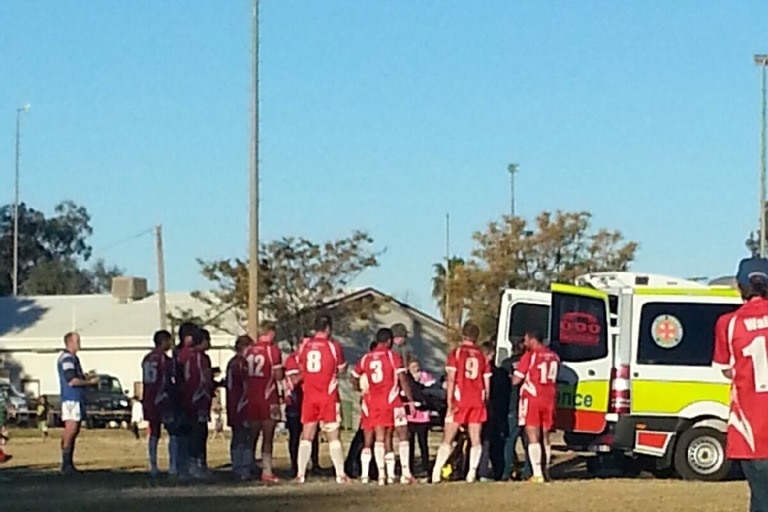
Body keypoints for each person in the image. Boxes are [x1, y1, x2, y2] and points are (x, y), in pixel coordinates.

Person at [713, 256, 768, 512]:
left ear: (741, 285)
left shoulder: (728, 323)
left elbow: (725, 370)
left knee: (761, 498)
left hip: (751, 429)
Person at [285, 315, 349, 484]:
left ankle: (300, 474)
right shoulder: (333, 346)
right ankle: (340, 474)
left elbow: (300, 366)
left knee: (307, 435)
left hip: (310, 395)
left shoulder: (306, 347)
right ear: (328, 328)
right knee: (333, 435)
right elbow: (341, 369)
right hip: (328, 395)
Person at [352, 328, 417, 485]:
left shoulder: (366, 358)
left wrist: (360, 389)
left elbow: (354, 376)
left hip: (374, 402)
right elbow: (402, 379)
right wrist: (410, 400)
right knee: (402, 434)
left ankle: (381, 475)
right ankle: (405, 472)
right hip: (393, 401)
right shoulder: (392, 356)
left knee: (379, 438)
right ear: (389, 341)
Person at [431, 322, 492, 484]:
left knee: (448, 437)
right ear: (476, 337)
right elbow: (487, 383)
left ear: (463, 335)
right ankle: (471, 473)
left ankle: (436, 472)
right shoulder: (482, 356)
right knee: (475, 438)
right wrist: (485, 401)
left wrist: (450, 401)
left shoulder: (456, 353)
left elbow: (451, 379)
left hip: (460, 399)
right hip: (477, 400)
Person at [512, 329, 560, 483]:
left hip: (533, 397)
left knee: (533, 435)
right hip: (550, 397)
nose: (524, 343)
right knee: (545, 436)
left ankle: (537, 473)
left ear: (533, 340)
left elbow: (516, 380)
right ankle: (546, 472)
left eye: (526, 340)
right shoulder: (554, 356)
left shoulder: (530, 356)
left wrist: (514, 374)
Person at [245, 321, 284, 483]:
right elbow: (278, 375)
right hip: (269, 397)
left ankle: (247, 468)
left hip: (251, 397)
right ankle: (267, 470)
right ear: (270, 333)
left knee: (252, 435)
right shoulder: (272, 350)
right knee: (268, 436)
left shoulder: (248, 350)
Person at [57, 332, 98, 474]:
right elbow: (72, 380)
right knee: (71, 430)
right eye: (77, 341)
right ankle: (66, 463)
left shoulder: (73, 358)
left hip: (76, 398)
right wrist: (89, 382)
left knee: (75, 430)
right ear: (70, 343)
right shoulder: (67, 359)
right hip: (71, 398)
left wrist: (85, 376)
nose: (80, 343)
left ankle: (69, 463)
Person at [284, 332, 321, 478]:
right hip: (295, 402)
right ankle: (295, 465)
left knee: (314, 433)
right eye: (305, 344)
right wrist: (306, 371)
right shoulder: (293, 360)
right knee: (295, 434)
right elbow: (294, 380)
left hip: (311, 400)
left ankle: (315, 463)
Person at [178, 327, 213, 480]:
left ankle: (196, 464)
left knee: (198, 432)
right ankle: (194, 465)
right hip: (196, 400)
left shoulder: (188, 356)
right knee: (197, 432)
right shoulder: (198, 357)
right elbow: (200, 379)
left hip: (193, 399)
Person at [141, 329, 174, 476]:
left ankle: (153, 465)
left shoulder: (147, 358)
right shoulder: (163, 359)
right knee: (173, 431)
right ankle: (173, 465)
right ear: (163, 341)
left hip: (149, 398)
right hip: (161, 398)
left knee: (154, 432)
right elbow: (168, 379)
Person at [169, 322, 198, 478]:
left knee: (181, 433)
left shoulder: (176, 352)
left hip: (180, 394)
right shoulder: (185, 353)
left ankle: (179, 466)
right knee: (184, 432)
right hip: (184, 395)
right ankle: (182, 466)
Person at [500, 341, 532, 481]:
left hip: (512, 404)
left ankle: (506, 472)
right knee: (530, 440)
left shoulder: (506, 364)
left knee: (509, 441)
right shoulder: (530, 363)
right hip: (528, 403)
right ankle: (529, 471)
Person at [226, 335, 252, 481]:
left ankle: (237, 466)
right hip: (241, 404)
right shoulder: (242, 363)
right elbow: (246, 385)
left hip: (232, 403)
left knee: (237, 435)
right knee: (244, 436)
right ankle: (243, 468)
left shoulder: (231, 363)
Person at [406, 357, 434, 476]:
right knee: (410, 442)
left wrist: (420, 383)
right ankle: (410, 466)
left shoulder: (426, 377)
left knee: (423, 442)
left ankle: (425, 466)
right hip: (411, 416)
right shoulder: (407, 379)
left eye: (416, 366)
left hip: (423, 416)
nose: (415, 369)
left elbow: (430, 390)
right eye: (412, 367)